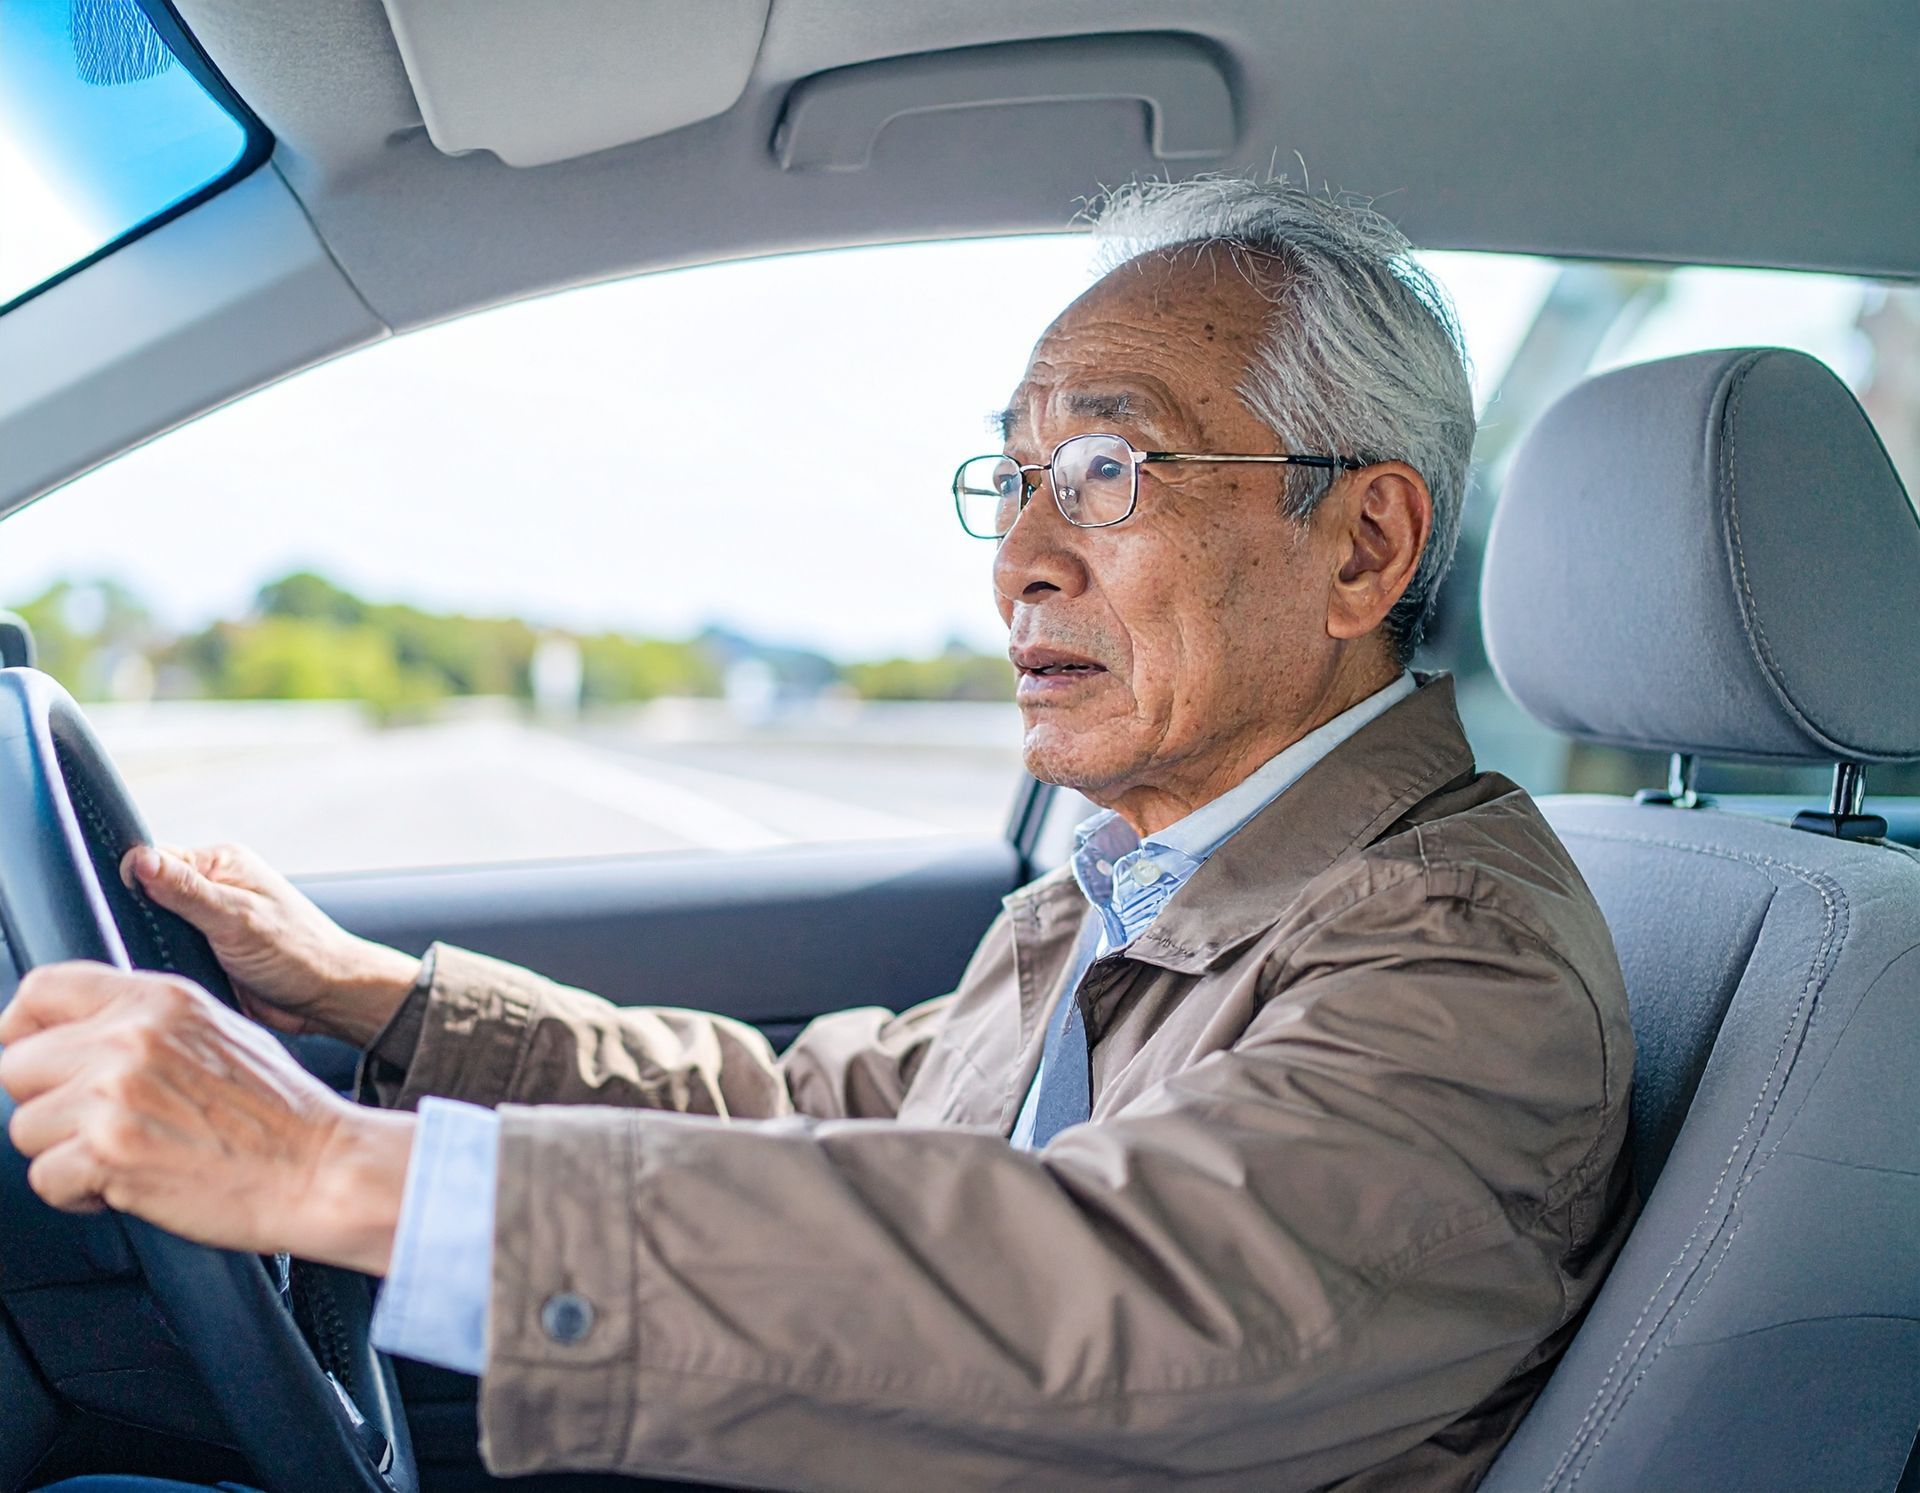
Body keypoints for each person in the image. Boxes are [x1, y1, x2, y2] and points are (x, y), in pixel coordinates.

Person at [2, 176, 1633, 1492]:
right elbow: (814, 1103)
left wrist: (342, 1171)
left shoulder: (1454, 949)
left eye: (1109, 469)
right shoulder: (1142, 883)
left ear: (1361, 547)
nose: (1022, 562)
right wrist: (383, 1003)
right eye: (1015, 482)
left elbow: (1140, 1297)